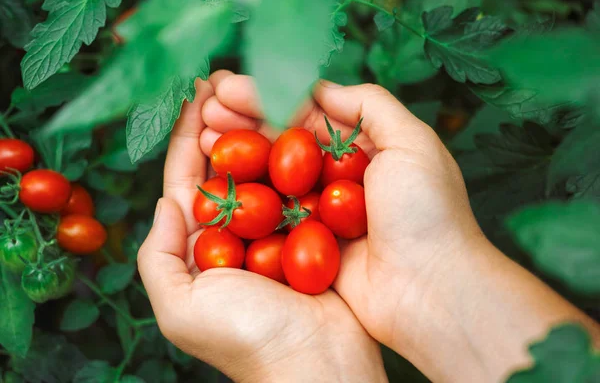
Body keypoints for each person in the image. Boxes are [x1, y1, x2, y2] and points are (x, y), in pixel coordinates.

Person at [137, 71, 600, 383]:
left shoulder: (316, 191)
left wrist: (295, 361)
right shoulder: (287, 204)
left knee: (331, 191)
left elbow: (324, 201)